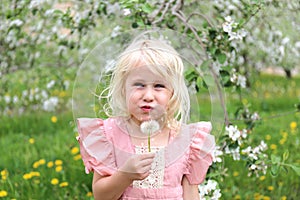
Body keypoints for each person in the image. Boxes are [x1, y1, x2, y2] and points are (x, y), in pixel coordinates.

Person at [76, 33, 215, 200]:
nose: (148, 95)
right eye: (139, 85)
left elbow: (191, 195)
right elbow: (101, 196)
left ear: (172, 93)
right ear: (123, 89)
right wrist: (125, 175)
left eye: (159, 86)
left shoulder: (186, 140)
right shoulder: (109, 134)